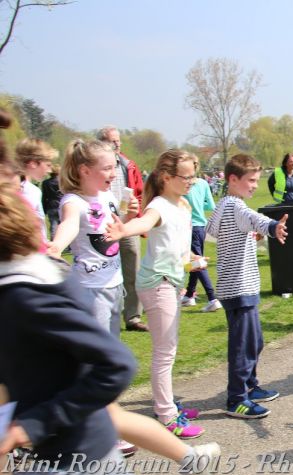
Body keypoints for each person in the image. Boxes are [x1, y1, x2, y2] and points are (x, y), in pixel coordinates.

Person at [0, 186, 219, 475]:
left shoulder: (26, 296)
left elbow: (116, 364)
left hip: (68, 449)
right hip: (83, 440)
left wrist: (35, 423)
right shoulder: (15, 291)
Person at [104, 150, 206, 439]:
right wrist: (123, 230)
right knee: (165, 351)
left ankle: (168, 404)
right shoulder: (159, 205)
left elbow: (177, 246)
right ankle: (167, 414)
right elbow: (144, 223)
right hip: (157, 283)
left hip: (172, 281)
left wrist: (192, 260)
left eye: (193, 176)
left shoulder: (183, 204)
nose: (191, 182)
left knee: (169, 347)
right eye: (186, 177)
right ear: (166, 177)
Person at [207, 154, 287, 419]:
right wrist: (273, 226)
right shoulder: (235, 206)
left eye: (256, 180)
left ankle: (250, 386)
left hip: (235, 286)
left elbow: (211, 230)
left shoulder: (224, 204)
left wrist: (248, 234)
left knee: (254, 341)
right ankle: (237, 399)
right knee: (244, 346)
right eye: (251, 180)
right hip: (239, 288)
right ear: (233, 179)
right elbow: (254, 218)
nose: (255, 185)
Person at [47, 140, 128, 336]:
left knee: (112, 343)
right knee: (99, 347)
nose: (114, 174)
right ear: (85, 171)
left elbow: (115, 228)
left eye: (115, 166)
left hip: (115, 282)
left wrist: (129, 216)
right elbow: (70, 224)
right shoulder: (74, 201)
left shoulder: (107, 196)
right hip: (91, 288)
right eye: (107, 168)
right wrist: (57, 245)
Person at [97, 126, 147, 332]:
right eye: (112, 141)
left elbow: (139, 192)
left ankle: (133, 316)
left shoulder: (128, 165)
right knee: (103, 268)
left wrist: (137, 218)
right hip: (103, 223)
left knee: (132, 267)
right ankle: (105, 313)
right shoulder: (95, 166)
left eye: (118, 140)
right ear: (102, 143)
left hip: (126, 221)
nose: (117, 144)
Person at [181, 157, 221, 312]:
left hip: (190, 227)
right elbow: (211, 205)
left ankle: (212, 298)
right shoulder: (203, 183)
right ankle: (189, 295)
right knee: (196, 260)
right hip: (201, 227)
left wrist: (192, 206)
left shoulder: (184, 185)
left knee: (197, 262)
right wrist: (198, 205)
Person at [15, 138, 57, 241]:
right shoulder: (29, 191)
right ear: (33, 163)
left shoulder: (24, 188)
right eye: (47, 165)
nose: (49, 170)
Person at [40, 166, 62, 241]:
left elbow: (44, 196)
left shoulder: (45, 183)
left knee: (53, 226)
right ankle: (66, 243)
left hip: (51, 206)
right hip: (62, 206)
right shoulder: (62, 182)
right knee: (64, 225)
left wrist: (43, 209)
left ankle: (53, 241)